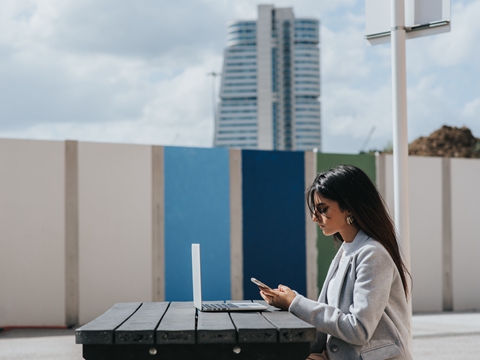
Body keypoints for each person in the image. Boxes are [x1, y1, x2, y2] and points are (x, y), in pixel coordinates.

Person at [259, 165, 412, 360]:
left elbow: (359, 329)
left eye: (322, 209)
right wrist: (290, 302)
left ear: (349, 207)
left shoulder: (373, 254)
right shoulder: (346, 250)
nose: (315, 217)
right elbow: (329, 319)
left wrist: (295, 303)